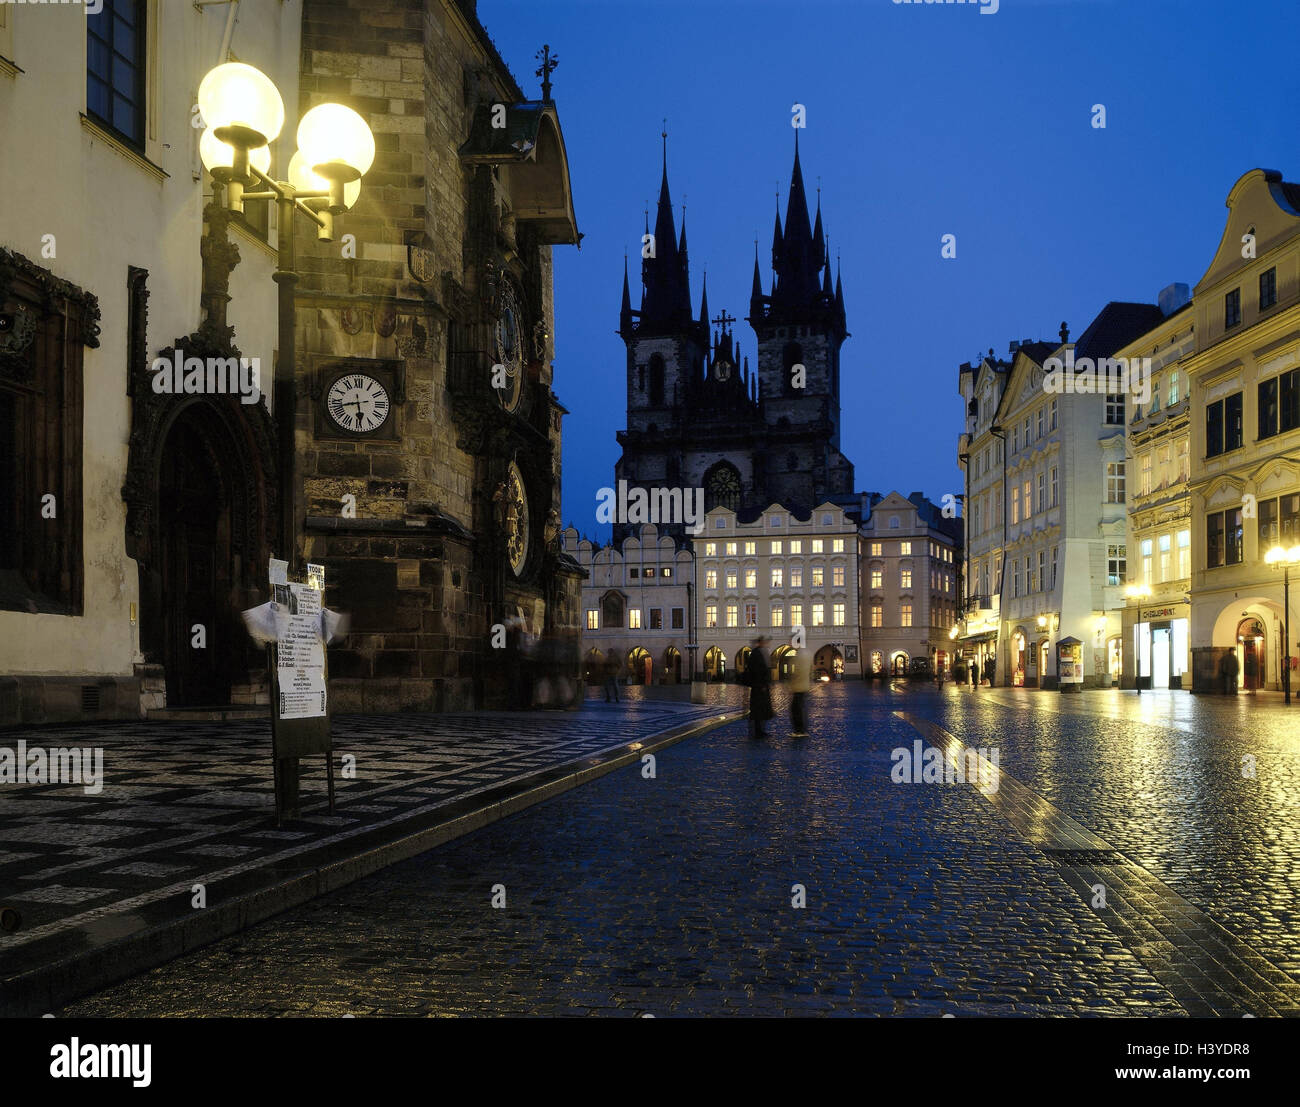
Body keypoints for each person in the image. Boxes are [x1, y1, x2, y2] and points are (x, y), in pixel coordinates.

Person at [745, 635, 774, 739]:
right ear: (761, 642)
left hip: (759, 686)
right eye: (765, 642)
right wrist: (762, 684)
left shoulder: (759, 652)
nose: (766, 644)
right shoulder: (757, 653)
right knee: (758, 710)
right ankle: (758, 732)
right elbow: (758, 671)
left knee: (760, 710)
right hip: (759, 687)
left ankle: (759, 730)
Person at [786, 646, 811, 737]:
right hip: (804, 686)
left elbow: (797, 672)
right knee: (799, 708)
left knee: (796, 709)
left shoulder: (799, 656)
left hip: (798, 687)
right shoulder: (807, 653)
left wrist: (792, 685)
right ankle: (801, 729)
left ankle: (799, 731)